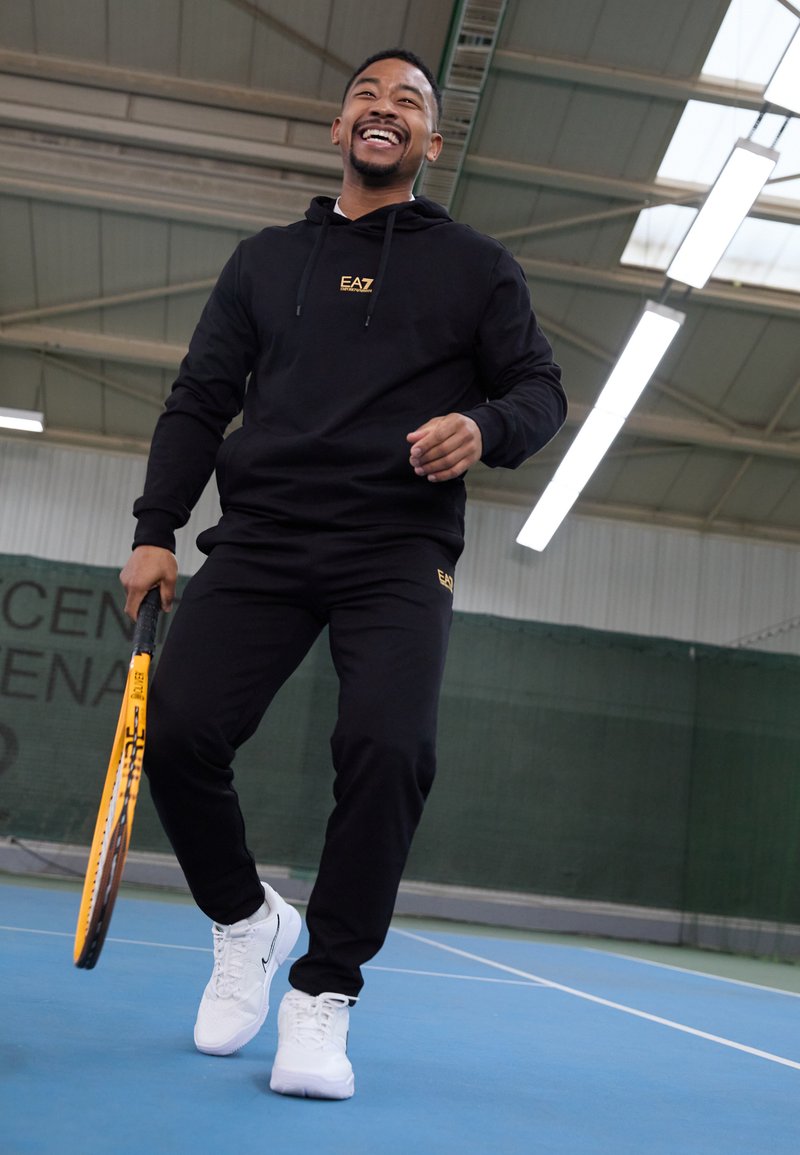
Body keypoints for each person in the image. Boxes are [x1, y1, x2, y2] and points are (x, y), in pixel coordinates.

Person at [119, 47, 566, 1100]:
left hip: (397, 548)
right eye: (366, 94)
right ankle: (245, 920)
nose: (383, 107)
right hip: (264, 535)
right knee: (174, 730)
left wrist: (484, 425)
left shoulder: (478, 267)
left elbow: (539, 390)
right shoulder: (264, 261)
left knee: (388, 747)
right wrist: (155, 528)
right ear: (338, 127)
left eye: (408, 101)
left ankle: (323, 992)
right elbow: (199, 398)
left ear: (429, 141)